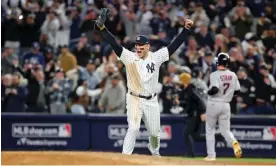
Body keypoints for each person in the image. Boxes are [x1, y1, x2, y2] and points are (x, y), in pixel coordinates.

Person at [94, 8, 193, 156]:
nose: (138, 48)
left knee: (154, 134)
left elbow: (174, 46)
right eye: (136, 45)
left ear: (147, 46)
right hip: (134, 98)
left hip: (151, 100)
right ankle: (124, 157)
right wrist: (102, 29)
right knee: (133, 128)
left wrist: (185, 30)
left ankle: (155, 153)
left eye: (141, 45)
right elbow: (113, 43)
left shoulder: (156, 57)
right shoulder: (129, 57)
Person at [204, 53, 242, 161]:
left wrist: (206, 92)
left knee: (210, 129)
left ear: (218, 63)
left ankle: (211, 155)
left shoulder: (214, 74)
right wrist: (227, 95)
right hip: (226, 104)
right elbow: (238, 91)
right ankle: (233, 141)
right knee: (225, 130)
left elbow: (214, 89)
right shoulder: (233, 75)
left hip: (214, 103)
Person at [175, 73, 206, 157]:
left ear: (184, 81)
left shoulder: (191, 89)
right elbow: (187, 104)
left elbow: (200, 101)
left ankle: (191, 154)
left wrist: (203, 112)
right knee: (196, 136)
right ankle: (216, 137)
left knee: (186, 133)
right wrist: (179, 103)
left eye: (181, 81)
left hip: (195, 114)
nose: (179, 82)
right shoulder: (186, 90)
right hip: (191, 114)